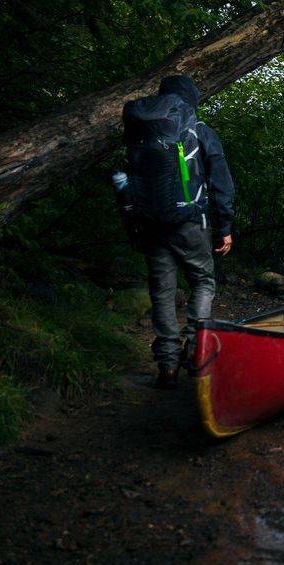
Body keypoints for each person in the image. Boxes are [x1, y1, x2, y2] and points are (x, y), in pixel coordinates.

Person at [119, 74, 236, 388]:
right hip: (188, 224)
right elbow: (221, 183)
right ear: (191, 100)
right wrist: (225, 227)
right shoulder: (198, 131)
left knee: (162, 292)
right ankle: (196, 350)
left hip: (150, 223)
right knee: (203, 281)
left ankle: (167, 367)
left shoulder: (140, 132)